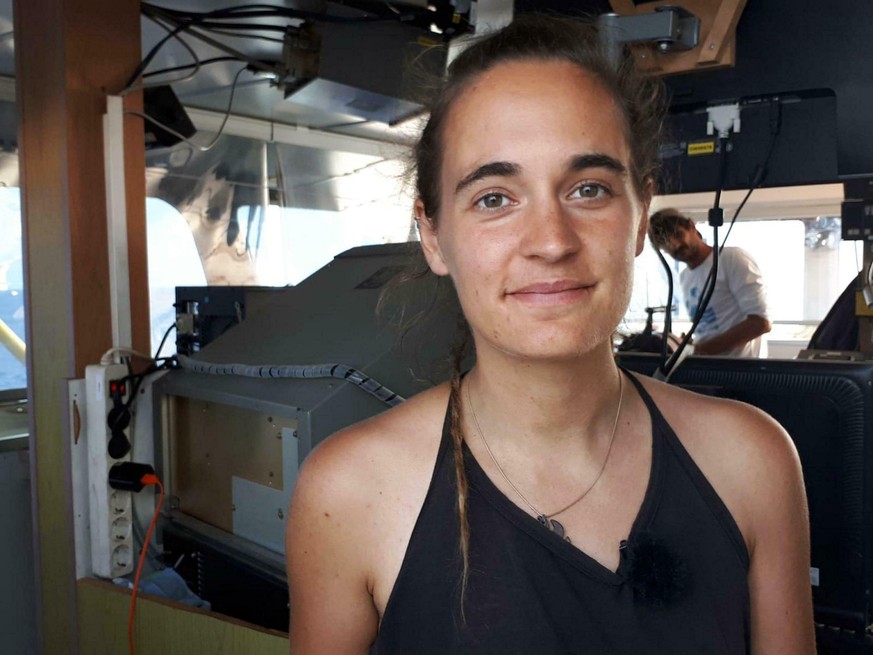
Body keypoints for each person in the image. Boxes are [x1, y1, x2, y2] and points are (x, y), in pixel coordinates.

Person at [286, 15, 814, 654]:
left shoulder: (753, 460)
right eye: (494, 198)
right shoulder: (347, 492)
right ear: (433, 235)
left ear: (640, 215)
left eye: (588, 189)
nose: (551, 242)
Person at [648, 208, 771, 357]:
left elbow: (760, 323)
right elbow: (707, 329)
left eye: (678, 235)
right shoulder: (685, 277)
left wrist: (698, 351)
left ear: (691, 226)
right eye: (665, 243)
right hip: (708, 368)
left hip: (741, 371)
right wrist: (686, 345)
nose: (675, 245)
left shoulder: (730, 259)